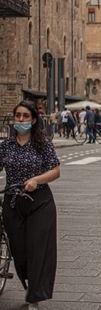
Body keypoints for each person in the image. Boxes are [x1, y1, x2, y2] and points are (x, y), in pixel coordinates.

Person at [0, 100, 60, 309]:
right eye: (18, 116)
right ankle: (29, 285)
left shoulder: (42, 143)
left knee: (38, 250)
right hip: (13, 202)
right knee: (20, 252)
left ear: (33, 120)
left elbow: (55, 170)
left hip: (40, 202)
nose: (21, 120)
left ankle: (35, 296)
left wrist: (37, 180)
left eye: (26, 116)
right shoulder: (5, 146)